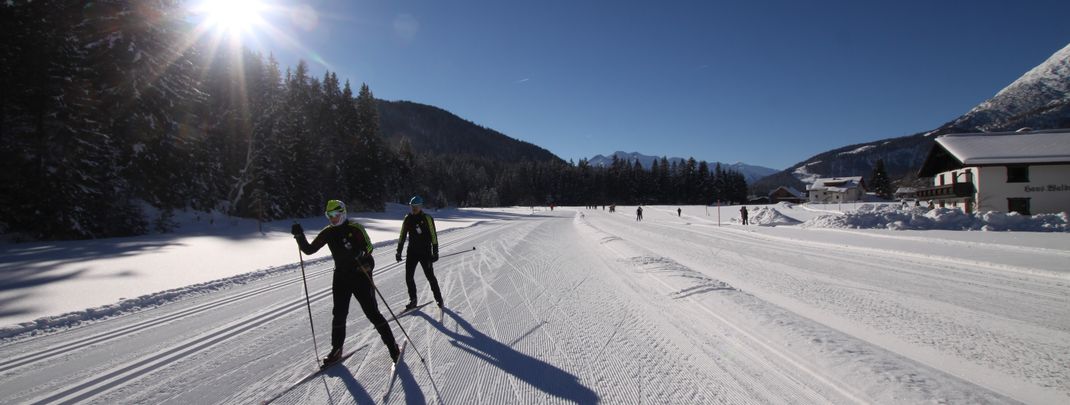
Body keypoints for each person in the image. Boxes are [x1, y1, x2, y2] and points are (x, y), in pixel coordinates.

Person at [291, 200, 401, 365]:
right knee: (339, 314)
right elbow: (309, 250)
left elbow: (369, 247)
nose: (332, 219)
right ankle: (336, 349)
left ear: (343, 213)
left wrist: (360, 253)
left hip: (360, 275)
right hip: (341, 277)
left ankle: (393, 347)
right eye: (329, 216)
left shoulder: (355, 228)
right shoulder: (328, 232)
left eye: (335, 215)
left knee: (372, 313)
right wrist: (299, 237)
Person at [396, 196, 444, 310]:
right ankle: (413, 300)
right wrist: (399, 251)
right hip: (412, 252)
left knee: (430, 276)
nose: (414, 209)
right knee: (409, 277)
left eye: (416, 207)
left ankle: (438, 298)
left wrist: (435, 251)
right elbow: (402, 235)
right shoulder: (407, 218)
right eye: (412, 206)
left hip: (425, 253)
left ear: (421, 206)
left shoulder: (427, 218)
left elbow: (433, 235)